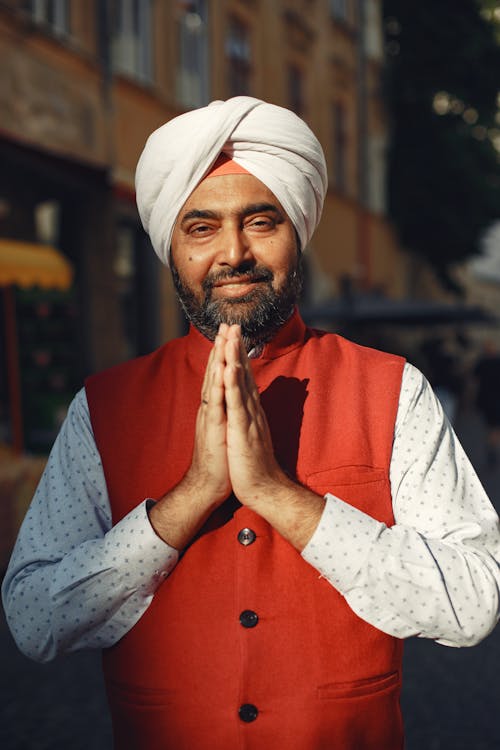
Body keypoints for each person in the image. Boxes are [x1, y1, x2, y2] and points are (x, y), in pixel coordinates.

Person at [2, 97, 500, 750]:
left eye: (260, 221)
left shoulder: (392, 390)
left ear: (296, 230)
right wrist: (188, 500)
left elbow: (471, 602)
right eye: (201, 228)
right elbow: (35, 619)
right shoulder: (104, 408)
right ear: (171, 248)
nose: (233, 252)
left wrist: (280, 497)